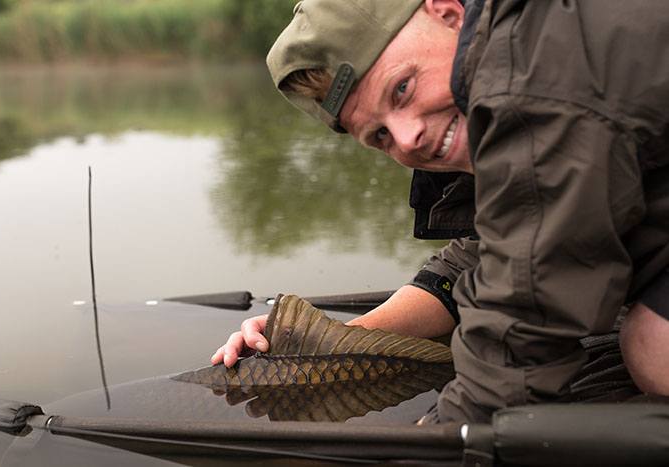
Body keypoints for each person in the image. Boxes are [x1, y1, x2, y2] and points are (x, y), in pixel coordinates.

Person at [212, 0, 669, 422]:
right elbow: (501, 248)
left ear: (447, 12)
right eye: (380, 136)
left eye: (402, 89)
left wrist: (438, 437)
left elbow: (517, 344)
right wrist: (330, 340)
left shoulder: (531, 81)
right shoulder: (499, 56)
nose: (406, 137)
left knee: (653, 346)